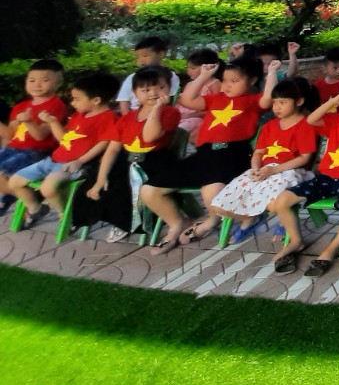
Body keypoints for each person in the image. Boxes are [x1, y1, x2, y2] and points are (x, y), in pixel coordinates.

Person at [141, 56, 267, 253]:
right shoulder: (216, 98)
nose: (227, 85)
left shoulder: (253, 100)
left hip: (232, 154)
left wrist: (272, 73)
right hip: (204, 154)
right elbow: (187, 99)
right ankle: (177, 224)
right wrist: (203, 76)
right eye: (224, 80)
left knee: (212, 195)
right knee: (148, 190)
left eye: (234, 81)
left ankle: (212, 220)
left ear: (251, 80)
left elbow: (268, 98)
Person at [270, 73, 339, 277]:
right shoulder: (334, 120)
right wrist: (334, 101)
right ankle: (296, 241)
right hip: (326, 177)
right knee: (283, 200)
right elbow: (311, 119)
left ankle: (331, 249)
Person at [71, 66, 181, 242]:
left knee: (125, 189)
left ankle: (125, 224)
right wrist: (101, 178)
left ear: (169, 89)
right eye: (145, 90)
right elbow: (113, 149)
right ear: (135, 93)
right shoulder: (127, 118)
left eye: (160, 88)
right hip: (126, 159)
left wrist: (156, 109)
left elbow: (150, 136)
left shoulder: (170, 112)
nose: (153, 93)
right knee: (93, 185)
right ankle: (83, 218)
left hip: (154, 161)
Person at [208, 77, 319, 243]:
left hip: (290, 171)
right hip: (265, 171)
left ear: (299, 101)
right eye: (274, 103)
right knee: (220, 203)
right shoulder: (269, 126)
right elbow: (258, 153)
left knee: (274, 203)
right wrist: (255, 167)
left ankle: (283, 220)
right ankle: (251, 218)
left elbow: (305, 158)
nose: (277, 107)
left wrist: (273, 170)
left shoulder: (305, 125)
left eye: (282, 102)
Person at [9, 71, 117, 229]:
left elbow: (104, 143)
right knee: (15, 182)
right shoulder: (79, 115)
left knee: (48, 189)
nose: (73, 103)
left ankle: (65, 215)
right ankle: (36, 209)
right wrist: (52, 122)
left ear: (96, 100)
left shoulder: (108, 118)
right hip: (53, 160)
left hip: (73, 165)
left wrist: (80, 161)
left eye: (77, 99)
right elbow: (64, 139)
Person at [0, 59, 67, 215]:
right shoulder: (20, 106)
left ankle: (31, 202)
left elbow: (40, 137)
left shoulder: (56, 105)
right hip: (13, 149)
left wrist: (29, 121)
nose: (37, 84)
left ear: (58, 82)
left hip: (36, 152)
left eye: (45, 80)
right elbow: (10, 135)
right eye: (32, 80)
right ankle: (30, 202)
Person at [116, 37, 179, 111]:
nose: (141, 61)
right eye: (138, 57)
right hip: (136, 114)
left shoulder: (171, 77)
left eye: (145, 56)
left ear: (161, 54)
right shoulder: (133, 77)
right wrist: (127, 117)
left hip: (162, 112)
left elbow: (172, 100)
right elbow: (124, 101)